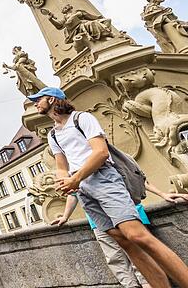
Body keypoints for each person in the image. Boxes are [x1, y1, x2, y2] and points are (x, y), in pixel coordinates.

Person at [29, 86, 188, 288]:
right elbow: (62, 166)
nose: (35, 103)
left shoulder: (81, 119)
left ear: (51, 100)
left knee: (137, 235)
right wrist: (64, 182)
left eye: (38, 99)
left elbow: (101, 152)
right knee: (125, 242)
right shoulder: (53, 135)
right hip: (84, 190)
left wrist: (75, 178)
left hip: (103, 178)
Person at [52, 181, 188, 288]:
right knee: (117, 260)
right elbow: (73, 194)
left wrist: (162, 194)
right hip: (99, 222)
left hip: (127, 216)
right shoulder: (73, 167)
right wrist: (65, 216)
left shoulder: (104, 157)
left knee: (140, 257)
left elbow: (139, 178)